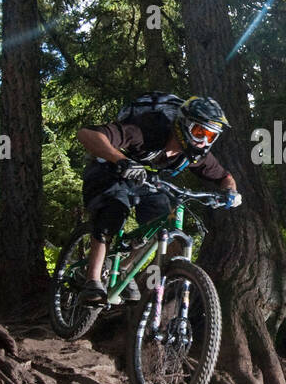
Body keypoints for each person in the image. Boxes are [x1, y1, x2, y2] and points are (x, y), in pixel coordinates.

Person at [75, 95, 241, 304]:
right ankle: (92, 280)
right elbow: (86, 134)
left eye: (211, 136)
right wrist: (121, 160)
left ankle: (124, 269)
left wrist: (230, 193)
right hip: (109, 169)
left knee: (160, 225)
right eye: (199, 132)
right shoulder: (146, 131)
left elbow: (225, 177)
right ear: (183, 124)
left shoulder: (195, 155)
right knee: (113, 211)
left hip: (147, 182)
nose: (204, 141)